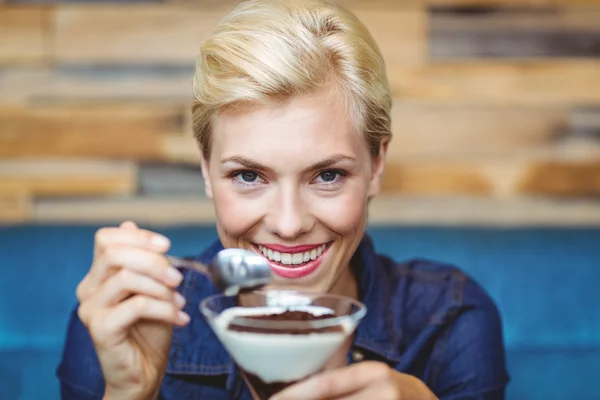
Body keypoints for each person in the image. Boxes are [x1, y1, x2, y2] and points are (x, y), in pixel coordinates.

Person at [56, 0, 509, 399]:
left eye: (328, 175)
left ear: (376, 165)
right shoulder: (120, 319)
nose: (289, 225)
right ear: (206, 170)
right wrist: (130, 394)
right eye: (249, 175)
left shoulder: (449, 320)